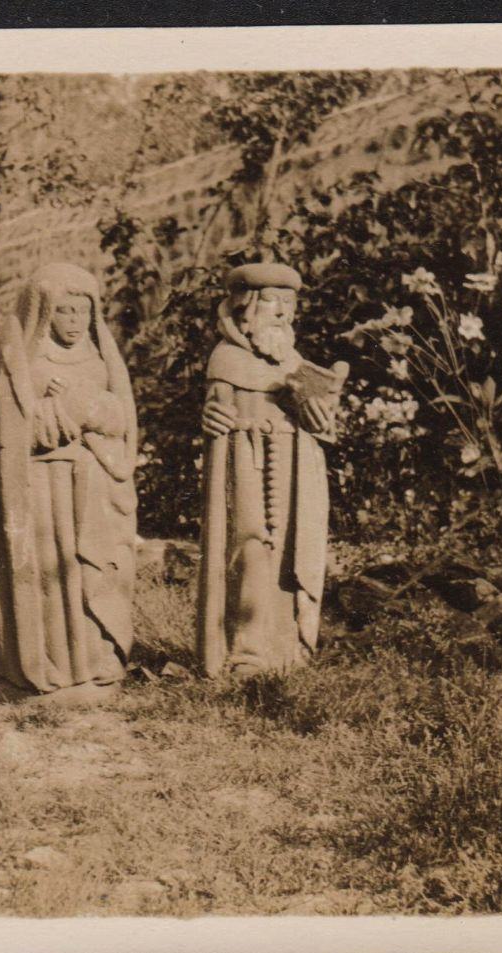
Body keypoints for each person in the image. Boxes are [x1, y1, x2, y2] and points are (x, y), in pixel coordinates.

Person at [0, 263, 138, 704]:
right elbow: (7, 432)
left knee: (93, 571)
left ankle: (100, 661)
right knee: (51, 576)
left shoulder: (102, 360)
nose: (74, 322)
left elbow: (122, 421)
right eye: (63, 312)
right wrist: (58, 412)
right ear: (44, 313)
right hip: (44, 491)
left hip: (93, 485)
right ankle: (51, 671)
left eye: (82, 312)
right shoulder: (20, 362)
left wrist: (88, 409)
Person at [197, 262, 342, 677]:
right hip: (245, 461)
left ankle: (286, 645)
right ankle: (247, 651)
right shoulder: (225, 359)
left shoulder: (294, 363)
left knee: (288, 554)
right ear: (246, 308)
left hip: (294, 467)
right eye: (272, 302)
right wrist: (211, 418)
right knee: (251, 550)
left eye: (288, 303)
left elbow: (320, 424)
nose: (281, 312)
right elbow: (215, 407)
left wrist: (316, 411)